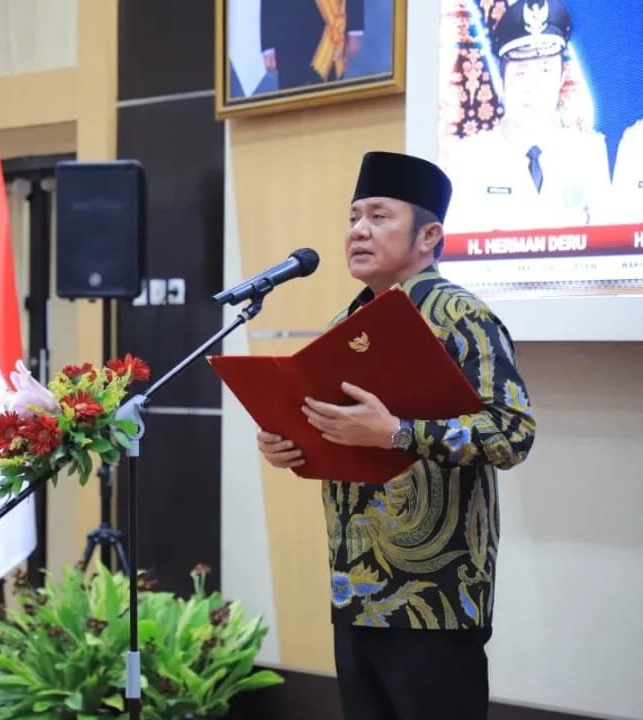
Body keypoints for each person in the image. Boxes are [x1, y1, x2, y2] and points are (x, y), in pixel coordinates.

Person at [257, 151, 537, 719]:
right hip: (357, 586)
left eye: (379, 216)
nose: (358, 230)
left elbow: (513, 431)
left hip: (436, 596)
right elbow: (343, 433)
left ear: (429, 234)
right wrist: (291, 442)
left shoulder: (460, 316)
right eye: (354, 216)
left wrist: (398, 433)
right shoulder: (346, 323)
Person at [442, 0, 610, 232]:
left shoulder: (587, 153)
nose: (534, 87)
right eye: (521, 73)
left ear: (561, 79)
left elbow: (609, 248)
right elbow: (456, 256)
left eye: (545, 71)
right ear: (502, 82)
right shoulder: (469, 159)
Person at [260, 0, 365, 90]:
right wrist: (268, 43)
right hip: (288, 30)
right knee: (293, 102)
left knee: (330, 100)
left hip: (328, 25)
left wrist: (354, 29)